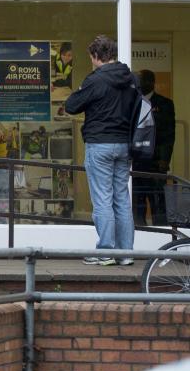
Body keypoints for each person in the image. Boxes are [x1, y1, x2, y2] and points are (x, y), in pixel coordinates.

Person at [64, 35, 138, 266]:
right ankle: (125, 254)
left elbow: (71, 105)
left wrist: (80, 88)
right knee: (122, 199)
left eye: (91, 57)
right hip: (124, 144)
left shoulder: (95, 80)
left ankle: (106, 251)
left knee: (103, 199)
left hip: (100, 144)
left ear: (96, 56)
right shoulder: (130, 78)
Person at [132, 69, 175, 226]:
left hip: (156, 163)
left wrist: (165, 159)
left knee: (158, 202)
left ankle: (161, 235)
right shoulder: (133, 102)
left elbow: (169, 134)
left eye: (141, 80)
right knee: (137, 204)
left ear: (151, 83)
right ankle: (139, 234)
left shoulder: (165, 104)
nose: (138, 84)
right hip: (136, 162)